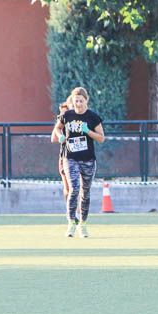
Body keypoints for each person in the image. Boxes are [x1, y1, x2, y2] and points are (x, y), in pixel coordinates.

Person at [52, 87, 105, 238]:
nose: (78, 104)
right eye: (76, 101)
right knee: (74, 189)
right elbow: (57, 128)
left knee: (85, 192)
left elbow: (101, 138)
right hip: (70, 158)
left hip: (88, 160)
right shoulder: (67, 115)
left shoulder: (93, 117)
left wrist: (88, 131)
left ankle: (83, 224)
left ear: (86, 101)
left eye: (81, 101)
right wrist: (60, 136)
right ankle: (71, 223)